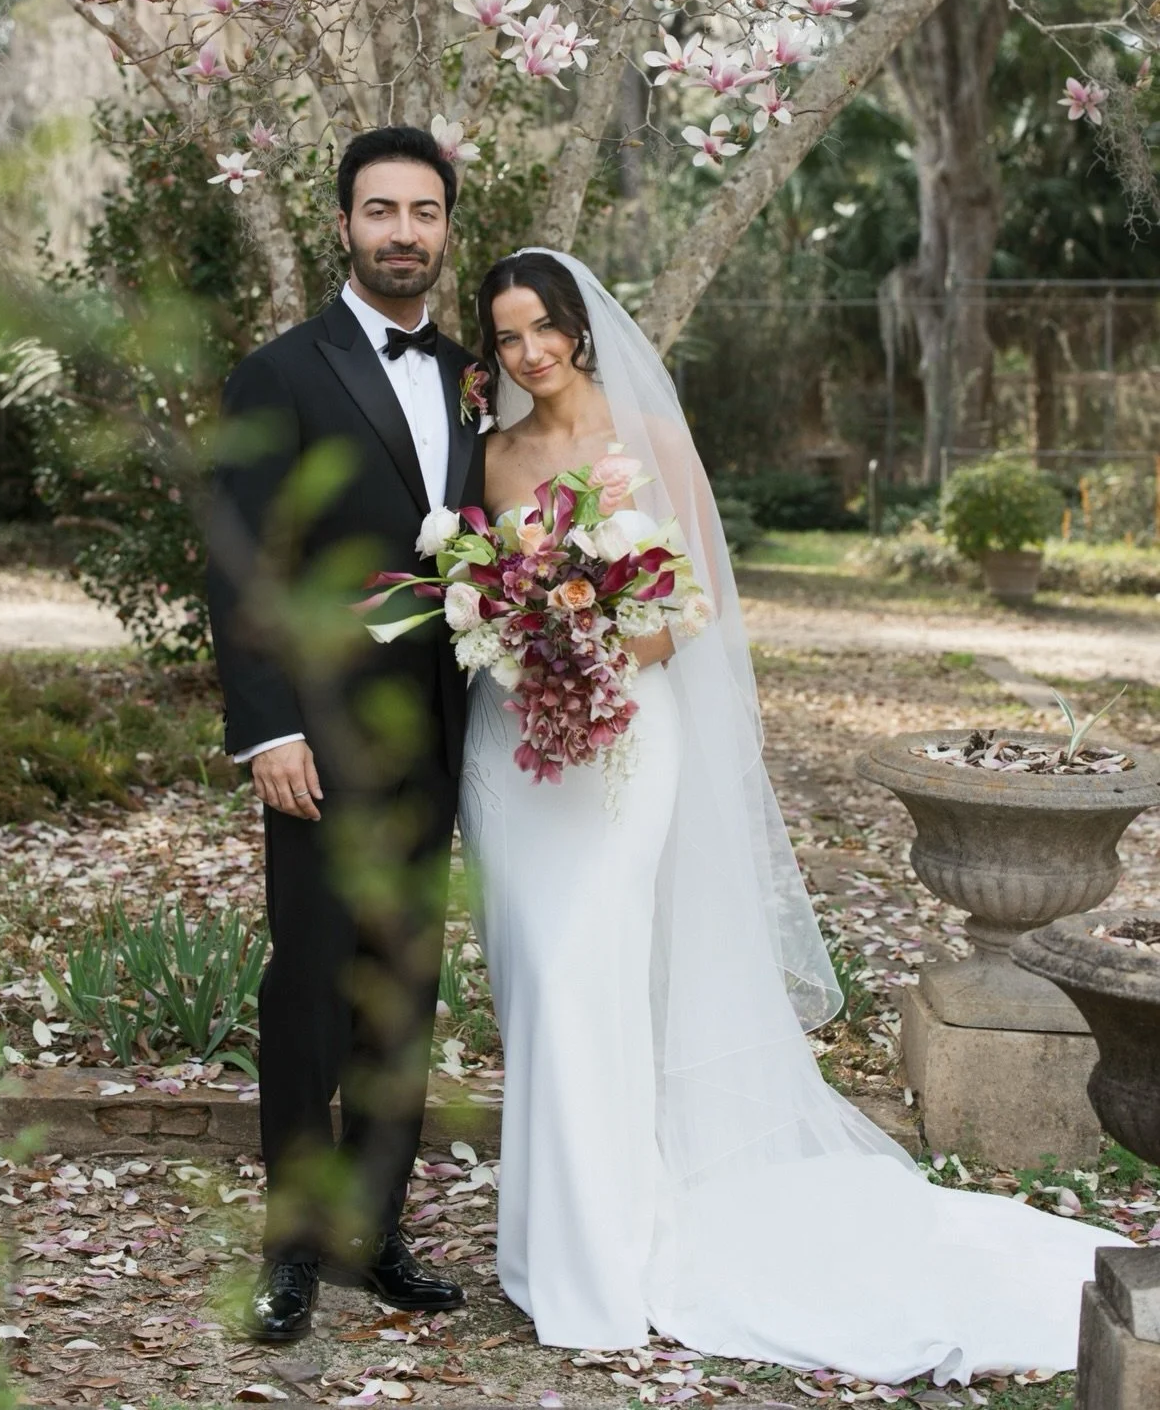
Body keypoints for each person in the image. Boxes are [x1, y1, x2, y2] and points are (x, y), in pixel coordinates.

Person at [458, 248, 1115, 1383]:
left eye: (543, 329)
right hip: (514, 749)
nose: (530, 354)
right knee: (534, 975)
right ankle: (545, 1244)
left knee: (591, 970)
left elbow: (696, 597)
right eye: (508, 337)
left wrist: (597, 642)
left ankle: (603, 1254)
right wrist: (523, 639)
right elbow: (478, 587)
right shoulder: (495, 455)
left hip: (626, 732)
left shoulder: (647, 438)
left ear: (576, 326)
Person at [207, 125, 485, 1343]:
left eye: (425, 214)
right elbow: (243, 565)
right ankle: (290, 1251)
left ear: (445, 229)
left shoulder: (477, 376)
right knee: (309, 994)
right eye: (383, 212)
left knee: (403, 995)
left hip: (439, 739)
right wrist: (266, 731)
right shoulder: (280, 372)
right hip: (317, 745)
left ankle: (377, 1230)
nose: (405, 234)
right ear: (344, 227)